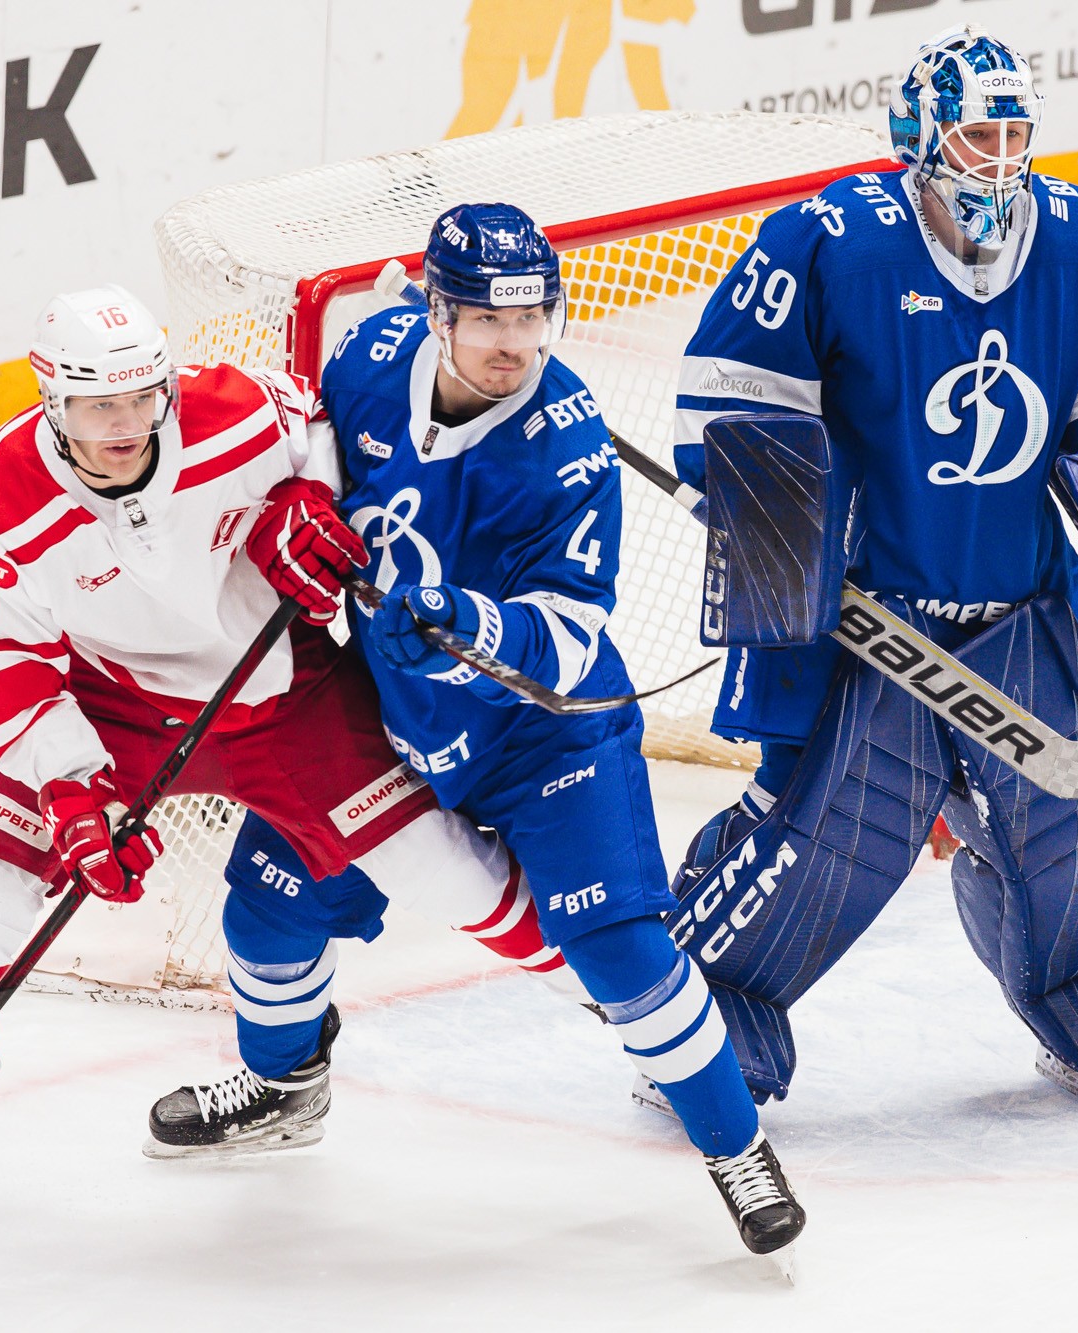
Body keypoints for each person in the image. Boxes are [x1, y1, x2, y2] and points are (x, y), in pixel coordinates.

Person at [0, 284, 592, 1199]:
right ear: (52, 399)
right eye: (100, 406)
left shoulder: (234, 411)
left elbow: (319, 433)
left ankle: (629, 1004)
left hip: (282, 695)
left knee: (443, 869)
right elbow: (3, 659)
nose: (127, 424)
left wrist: (302, 505)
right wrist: (70, 789)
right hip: (112, 708)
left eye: (144, 397)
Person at [157, 205, 806, 1261]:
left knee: (622, 954)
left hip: (543, 740)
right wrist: (296, 512)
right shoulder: (365, 358)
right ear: (435, 314)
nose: (517, 344)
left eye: (534, 317)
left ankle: (737, 1149)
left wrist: (466, 626)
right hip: (389, 717)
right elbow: (307, 458)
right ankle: (284, 1088)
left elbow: (569, 636)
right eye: (490, 320)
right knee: (266, 909)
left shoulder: (568, 448)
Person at [663, 25, 1078, 1113]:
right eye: (975, 136)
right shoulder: (831, 242)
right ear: (918, 137)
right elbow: (727, 395)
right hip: (866, 608)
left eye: (1014, 135)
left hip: (1022, 602)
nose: (998, 160)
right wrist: (779, 533)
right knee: (815, 835)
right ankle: (695, 1018)